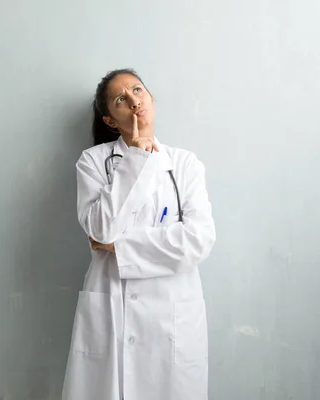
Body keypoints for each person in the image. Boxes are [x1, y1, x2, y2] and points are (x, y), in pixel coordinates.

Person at [62, 69, 216, 400]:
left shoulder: (185, 164)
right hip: (112, 310)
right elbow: (101, 228)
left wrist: (119, 247)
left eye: (137, 90)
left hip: (171, 320)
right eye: (121, 99)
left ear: (150, 98)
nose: (134, 101)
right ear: (110, 120)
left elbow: (199, 240)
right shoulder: (93, 163)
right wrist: (136, 159)